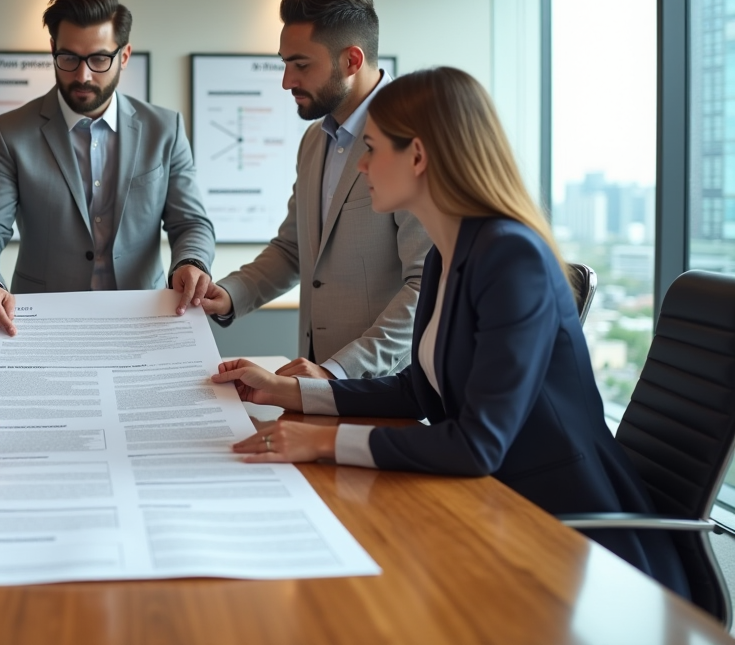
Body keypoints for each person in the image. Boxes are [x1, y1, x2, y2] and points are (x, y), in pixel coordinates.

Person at [211, 67, 690, 597]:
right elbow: (420, 390)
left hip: (563, 532)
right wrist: (292, 391)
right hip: (489, 504)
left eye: (371, 149)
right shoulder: (449, 252)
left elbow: (477, 444)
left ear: (417, 156)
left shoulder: (513, 258)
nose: (362, 164)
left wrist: (322, 441)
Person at [200, 0, 430, 381]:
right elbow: (294, 249)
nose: (287, 81)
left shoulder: (415, 138)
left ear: (352, 61)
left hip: (390, 391)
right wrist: (230, 294)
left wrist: (338, 371)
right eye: (285, 64)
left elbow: (426, 288)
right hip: (317, 383)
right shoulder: (313, 140)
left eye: (301, 65)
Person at [0, 0, 216, 335]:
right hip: (43, 323)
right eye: (68, 58)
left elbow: (191, 222)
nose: (82, 76)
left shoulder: (164, 129)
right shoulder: (9, 133)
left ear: (124, 56)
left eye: (99, 59)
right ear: (53, 49)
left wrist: (190, 262)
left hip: (145, 320)